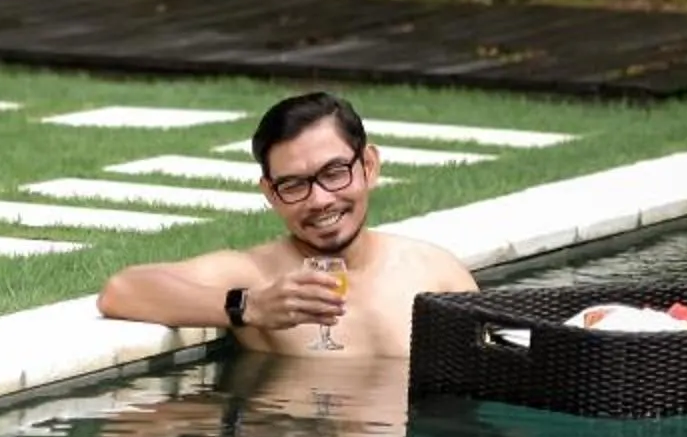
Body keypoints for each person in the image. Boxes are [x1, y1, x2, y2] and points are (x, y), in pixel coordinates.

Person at [94, 90, 475, 358]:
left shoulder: (433, 271)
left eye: (335, 172)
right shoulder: (258, 275)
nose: (320, 199)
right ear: (271, 194)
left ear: (369, 167)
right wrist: (250, 306)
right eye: (294, 185)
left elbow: (506, 345)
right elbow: (122, 290)